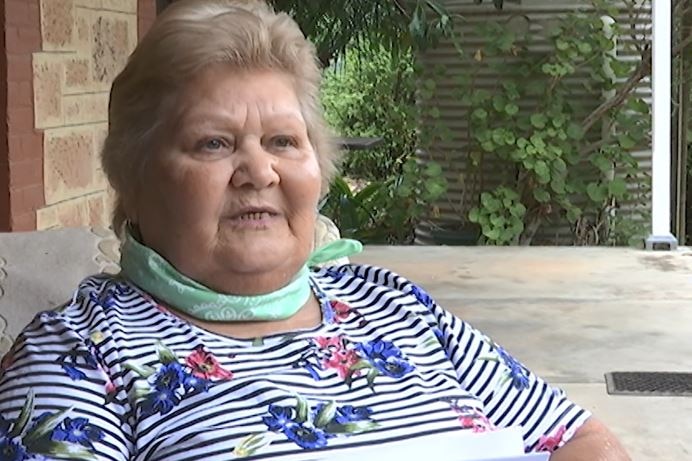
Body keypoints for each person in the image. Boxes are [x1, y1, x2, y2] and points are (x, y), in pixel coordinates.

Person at [0, 1, 630, 460]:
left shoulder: (395, 306)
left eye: (283, 142)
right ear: (135, 178)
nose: (258, 171)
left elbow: (578, 437)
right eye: (214, 143)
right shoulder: (79, 356)